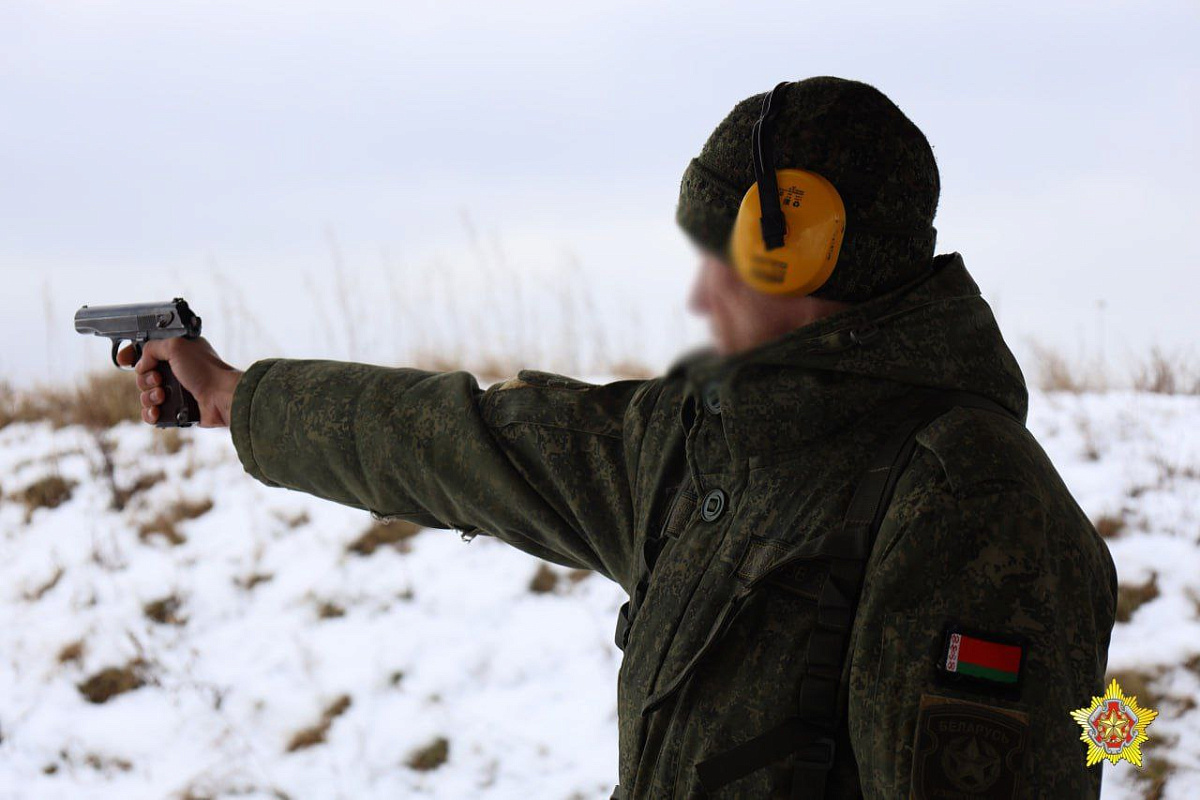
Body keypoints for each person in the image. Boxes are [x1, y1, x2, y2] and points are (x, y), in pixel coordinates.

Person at [119, 76, 1118, 798]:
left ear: (797, 246)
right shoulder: (705, 446)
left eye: (718, 255)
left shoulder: (969, 503)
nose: (700, 296)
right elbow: (450, 441)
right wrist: (234, 394)